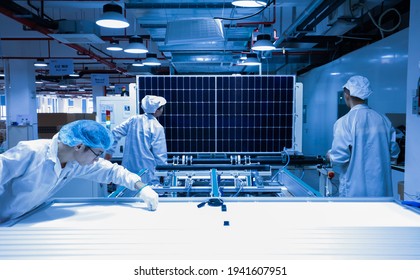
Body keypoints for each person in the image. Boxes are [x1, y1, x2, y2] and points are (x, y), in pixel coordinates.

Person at [0, 120, 158, 224]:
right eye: (97, 153)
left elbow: (112, 171)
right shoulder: (32, 152)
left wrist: (142, 187)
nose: (97, 159)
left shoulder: (74, 162)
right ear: (79, 146)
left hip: (21, 220)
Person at [327, 75, 400, 197]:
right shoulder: (383, 120)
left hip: (354, 191)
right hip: (381, 191)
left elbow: (340, 157)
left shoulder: (344, 122)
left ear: (347, 94)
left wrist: (329, 156)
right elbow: (394, 153)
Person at [105, 95, 168, 185]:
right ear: (157, 110)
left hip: (128, 168)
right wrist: (164, 174)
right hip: (147, 171)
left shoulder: (133, 120)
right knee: (146, 195)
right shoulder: (157, 127)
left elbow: (114, 133)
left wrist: (109, 153)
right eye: (162, 108)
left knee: (126, 194)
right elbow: (160, 155)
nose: (162, 110)